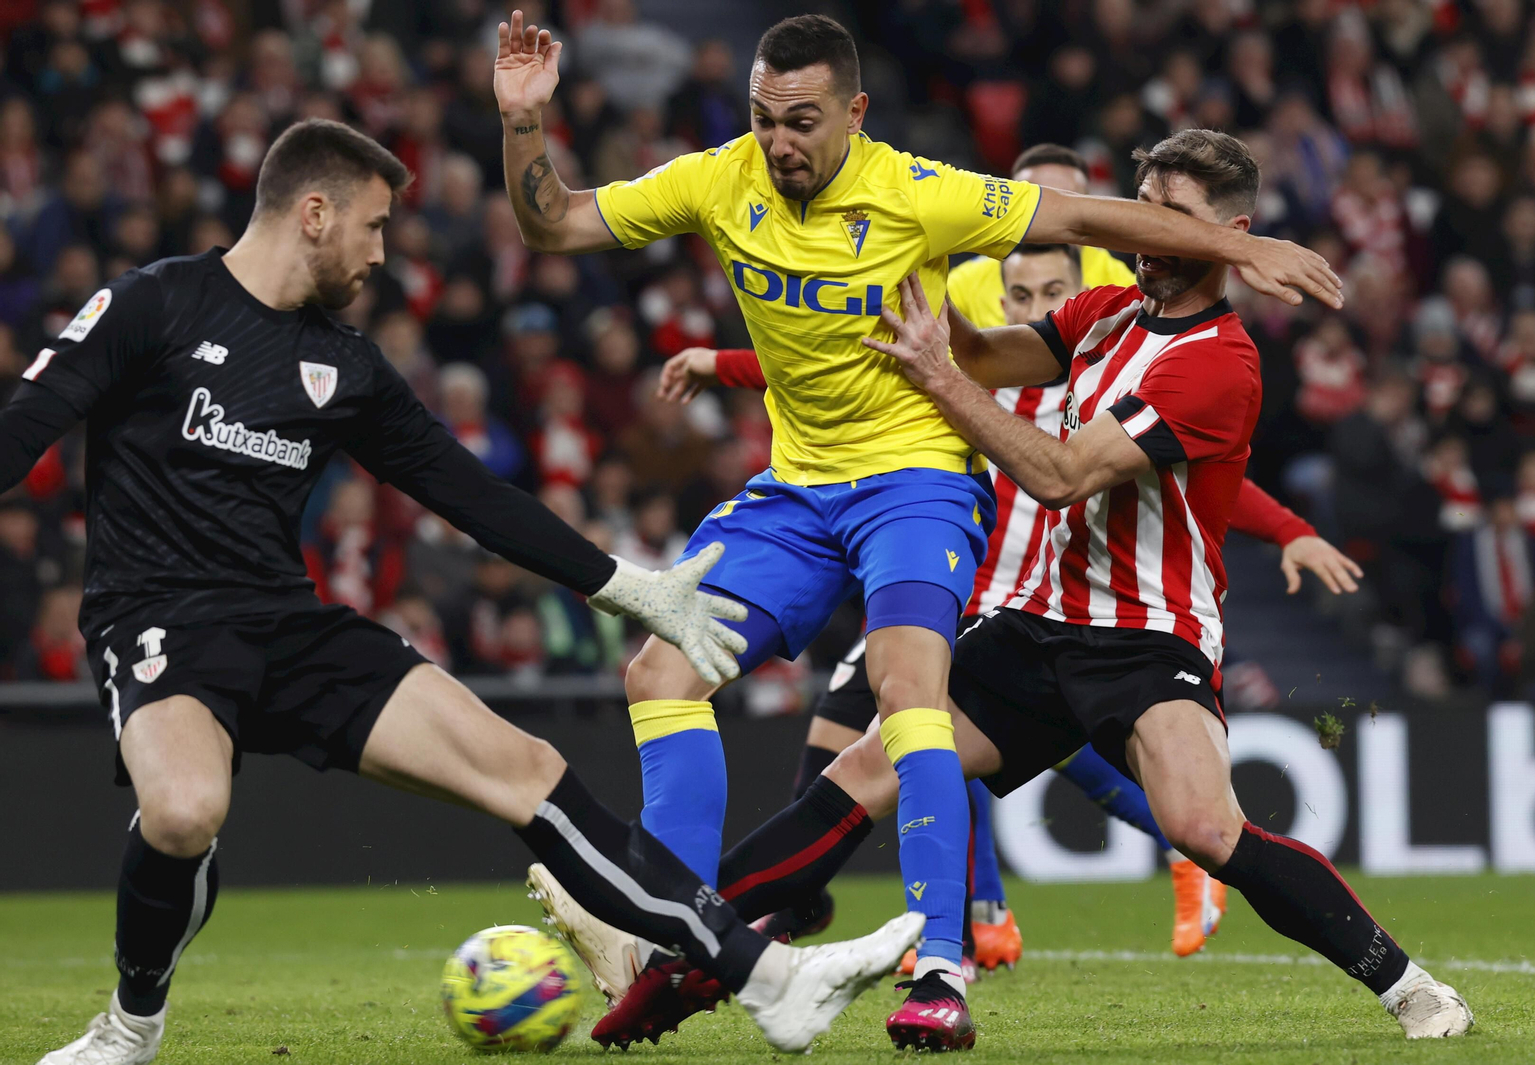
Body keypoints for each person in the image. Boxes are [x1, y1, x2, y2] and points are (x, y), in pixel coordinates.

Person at [492, 11, 1342, 1031]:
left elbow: (1081, 220)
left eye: (801, 121)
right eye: (764, 120)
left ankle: (941, 965)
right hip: (796, 491)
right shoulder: (721, 179)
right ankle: (663, 925)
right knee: (659, 669)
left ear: (853, 112)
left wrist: (1241, 252)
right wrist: (523, 126)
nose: (780, 143)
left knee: (909, 696)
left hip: (916, 481)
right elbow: (556, 225)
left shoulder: (922, 195)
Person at [20, 118, 922, 1065]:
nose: (381, 254)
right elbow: (29, 421)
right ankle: (130, 1026)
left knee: (527, 769)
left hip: (289, 624)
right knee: (182, 811)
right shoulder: (154, 304)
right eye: (372, 228)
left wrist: (628, 587)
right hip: (158, 616)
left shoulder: (348, 366)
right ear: (314, 213)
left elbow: (474, 496)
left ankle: (771, 983)